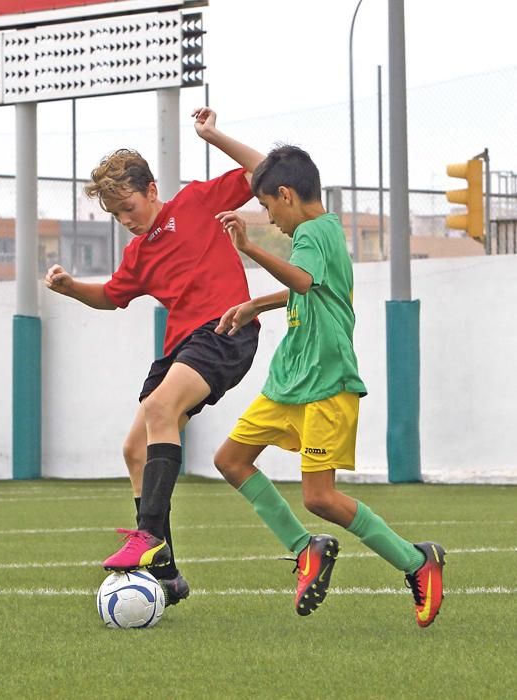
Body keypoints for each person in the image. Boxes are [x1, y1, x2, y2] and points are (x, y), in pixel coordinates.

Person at [213, 145, 445, 627]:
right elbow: (311, 287)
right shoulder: (322, 230)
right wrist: (257, 305)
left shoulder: (311, 232)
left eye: (267, 206)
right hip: (289, 380)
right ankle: (304, 550)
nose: (267, 217)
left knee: (319, 498)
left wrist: (250, 249)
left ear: (286, 195)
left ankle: (417, 561)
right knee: (230, 460)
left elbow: (301, 280)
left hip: (325, 383)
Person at [45, 107, 265, 606]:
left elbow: (261, 172)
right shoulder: (138, 255)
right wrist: (71, 288)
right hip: (182, 348)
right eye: (116, 216)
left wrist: (213, 135)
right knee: (133, 449)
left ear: (151, 190)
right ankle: (165, 573)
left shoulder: (196, 201)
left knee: (162, 410)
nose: (126, 221)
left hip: (227, 329)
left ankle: (148, 539)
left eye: (130, 209)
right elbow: (111, 295)